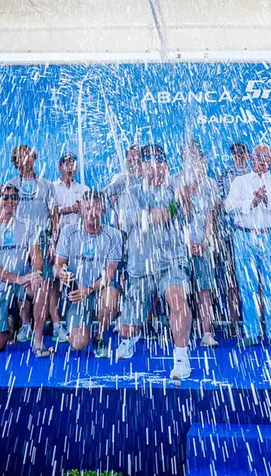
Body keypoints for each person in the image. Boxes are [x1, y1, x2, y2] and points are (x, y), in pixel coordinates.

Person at [117, 144, 193, 380]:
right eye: (148, 161)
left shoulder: (176, 190)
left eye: (159, 161)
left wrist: (185, 200)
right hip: (141, 267)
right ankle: (131, 336)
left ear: (166, 166)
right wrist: (152, 214)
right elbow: (125, 220)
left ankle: (181, 358)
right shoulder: (130, 192)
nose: (154, 166)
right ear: (140, 167)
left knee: (177, 299)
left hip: (172, 260)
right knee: (128, 328)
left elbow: (187, 216)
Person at [225, 144, 271, 348]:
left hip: (270, 237)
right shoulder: (239, 181)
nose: (262, 160)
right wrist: (251, 202)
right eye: (259, 156)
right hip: (244, 237)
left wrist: (267, 198)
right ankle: (251, 332)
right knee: (247, 286)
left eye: (267, 157)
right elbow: (229, 206)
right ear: (252, 158)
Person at [0, 183, 50, 357]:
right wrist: (19, 279)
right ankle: (9, 322)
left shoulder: (28, 225)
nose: (10, 201)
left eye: (14, 197)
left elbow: (36, 256)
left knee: (41, 286)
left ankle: (38, 341)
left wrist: (36, 273)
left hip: (21, 284)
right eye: (5, 197)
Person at [54, 191, 122, 357]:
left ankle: (100, 336)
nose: (92, 213)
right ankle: (77, 329)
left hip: (99, 291)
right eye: (88, 208)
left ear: (103, 210)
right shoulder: (68, 232)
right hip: (77, 295)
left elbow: (109, 274)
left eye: (96, 208)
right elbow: (57, 265)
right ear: (81, 210)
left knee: (111, 295)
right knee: (78, 344)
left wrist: (89, 289)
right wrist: (61, 272)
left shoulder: (114, 235)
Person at [171, 142, 222, 348]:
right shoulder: (174, 181)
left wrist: (205, 242)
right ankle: (179, 332)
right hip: (178, 246)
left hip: (203, 244)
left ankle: (207, 333)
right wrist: (187, 242)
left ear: (201, 159)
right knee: (177, 291)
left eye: (195, 156)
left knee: (204, 290)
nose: (191, 160)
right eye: (187, 156)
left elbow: (211, 218)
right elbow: (173, 217)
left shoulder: (209, 184)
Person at [6, 145, 59, 344]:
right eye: (21, 158)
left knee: (45, 281)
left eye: (28, 157)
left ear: (34, 158)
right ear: (15, 162)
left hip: (43, 237)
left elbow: (55, 214)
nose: (26, 161)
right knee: (22, 279)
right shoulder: (10, 185)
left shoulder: (46, 185)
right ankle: (25, 324)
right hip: (19, 238)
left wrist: (54, 240)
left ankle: (49, 325)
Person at [215, 141, 251, 336]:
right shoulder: (223, 177)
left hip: (252, 234)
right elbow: (222, 204)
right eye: (236, 154)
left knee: (253, 280)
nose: (239, 156)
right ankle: (235, 321)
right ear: (232, 156)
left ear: (247, 155)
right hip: (229, 235)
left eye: (242, 153)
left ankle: (253, 320)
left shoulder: (255, 176)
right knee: (232, 281)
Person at [51, 151, 88, 342]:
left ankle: (78, 320)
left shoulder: (83, 188)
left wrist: (83, 208)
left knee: (76, 278)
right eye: (66, 163)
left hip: (79, 242)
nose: (70, 167)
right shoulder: (52, 188)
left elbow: (90, 209)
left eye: (73, 163)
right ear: (60, 167)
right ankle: (57, 323)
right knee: (55, 281)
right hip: (58, 239)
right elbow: (49, 212)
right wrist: (69, 209)